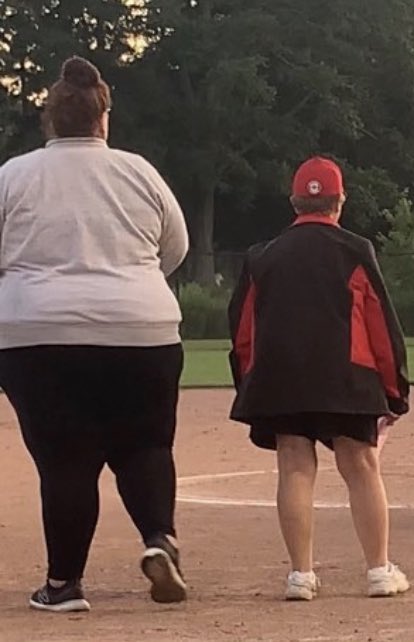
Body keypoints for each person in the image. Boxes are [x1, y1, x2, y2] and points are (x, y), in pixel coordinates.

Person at [0, 56, 189, 612]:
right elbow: (172, 249)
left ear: (50, 121)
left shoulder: (13, 175)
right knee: (147, 446)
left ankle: (63, 586)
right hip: (143, 329)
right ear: (103, 119)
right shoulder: (139, 171)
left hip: (40, 334)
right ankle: (159, 540)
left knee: (65, 461)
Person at [227, 156, 411, 600]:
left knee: (293, 465)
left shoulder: (262, 256)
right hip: (347, 374)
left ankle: (300, 576)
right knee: (361, 465)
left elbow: (243, 330)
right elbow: (379, 324)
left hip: (283, 376)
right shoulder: (354, 249)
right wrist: (394, 389)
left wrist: (249, 382)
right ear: (340, 201)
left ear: (294, 202)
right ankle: (378, 571)